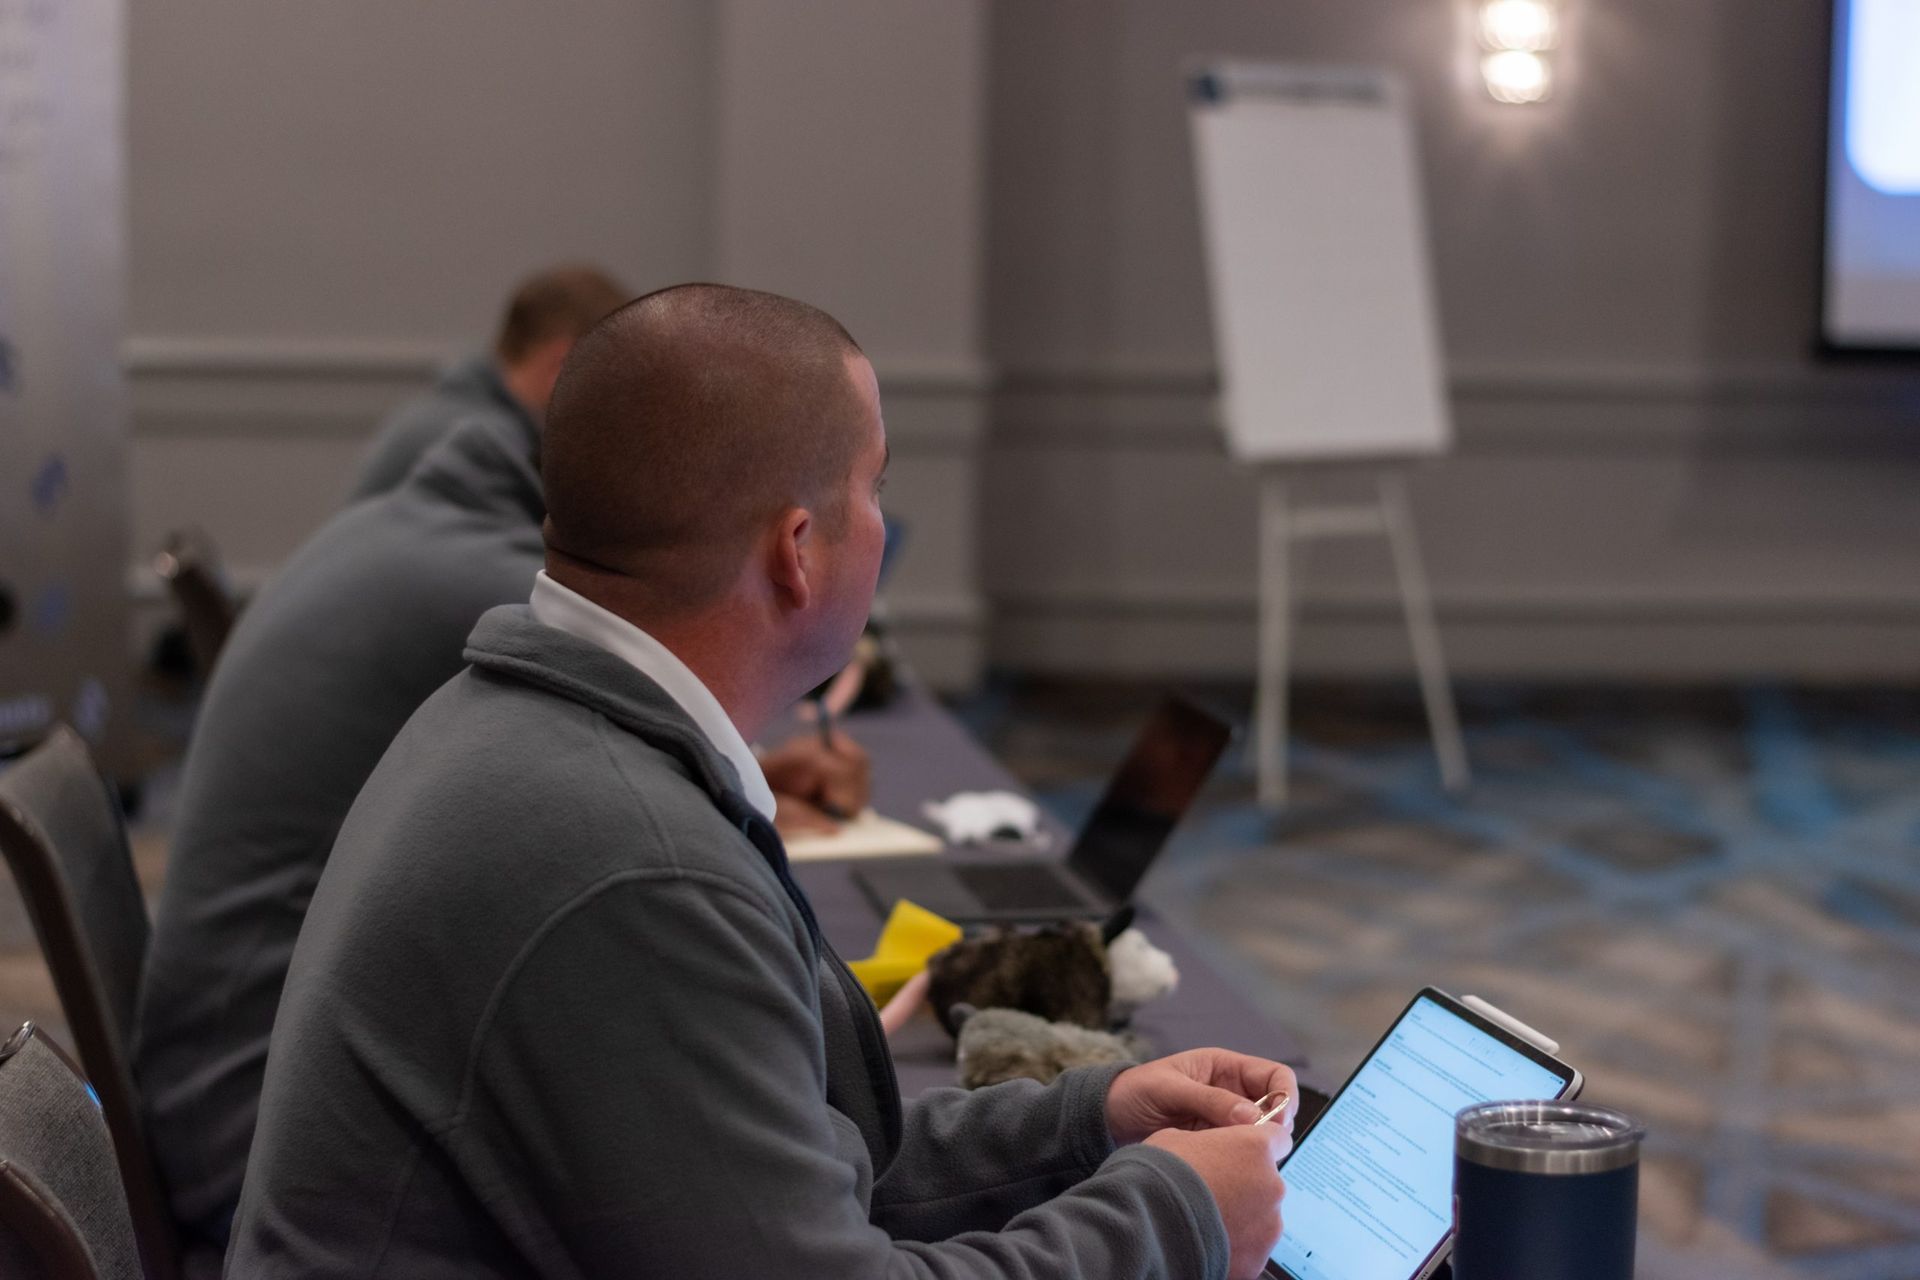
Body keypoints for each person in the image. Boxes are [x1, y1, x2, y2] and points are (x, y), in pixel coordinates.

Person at [228, 284, 1294, 1279]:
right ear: (798, 549)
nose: (881, 522)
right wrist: (1176, 1214)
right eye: (874, 488)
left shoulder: (532, 724)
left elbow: (783, 1166)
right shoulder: (637, 868)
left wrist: (1088, 1121)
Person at [135, 413, 864, 1257]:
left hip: (238, 1102)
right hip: (242, 1137)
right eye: (874, 487)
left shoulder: (431, 544)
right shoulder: (491, 597)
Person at [343, 264, 630, 503]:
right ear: (562, 362)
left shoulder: (451, 416)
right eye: (607, 376)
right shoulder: (482, 446)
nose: (609, 402)